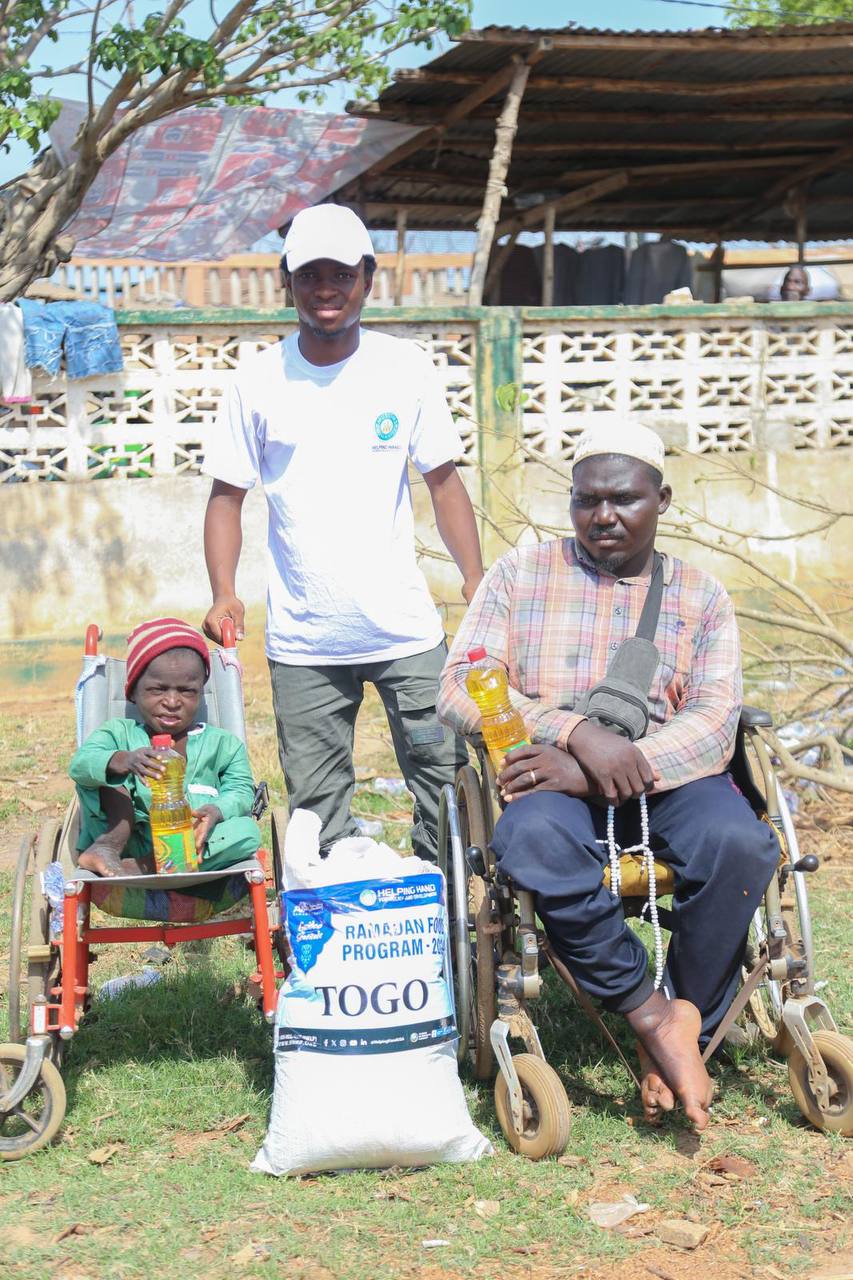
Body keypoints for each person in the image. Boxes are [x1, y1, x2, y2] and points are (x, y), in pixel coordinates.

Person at [436, 423, 779, 1132]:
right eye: (586, 500)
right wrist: (575, 734)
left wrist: (614, 770)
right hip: (547, 772)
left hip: (670, 778)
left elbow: (715, 719)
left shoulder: (699, 594)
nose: (603, 517)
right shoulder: (519, 576)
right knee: (529, 842)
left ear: (661, 499)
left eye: (623, 499)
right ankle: (650, 1014)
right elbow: (458, 689)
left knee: (740, 845)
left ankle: (684, 1018)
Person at [201, 204, 483, 862]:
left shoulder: (404, 369)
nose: (325, 288)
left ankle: (441, 919)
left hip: (405, 631)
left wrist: (475, 577)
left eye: (341, 274)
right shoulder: (258, 380)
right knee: (315, 807)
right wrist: (222, 590)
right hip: (305, 639)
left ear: (368, 278)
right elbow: (225, 497)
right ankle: (337, 943)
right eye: (310, 275)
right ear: (287, 281)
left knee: (446, 783)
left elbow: (443, 482)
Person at [70, 617, 260, 877]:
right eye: (158, 690)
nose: (172, 701)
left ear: (200, 693)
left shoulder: (223, 745)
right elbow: (79, 765)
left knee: (247, 832)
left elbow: (241, 790)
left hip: (191, 843)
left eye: (187, 691)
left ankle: (147, 867)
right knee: (103, 773)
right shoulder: (118, 733)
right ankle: (105, 847)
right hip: (128, 842)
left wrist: (217, 810)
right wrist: (123, 760)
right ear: (133, 692)